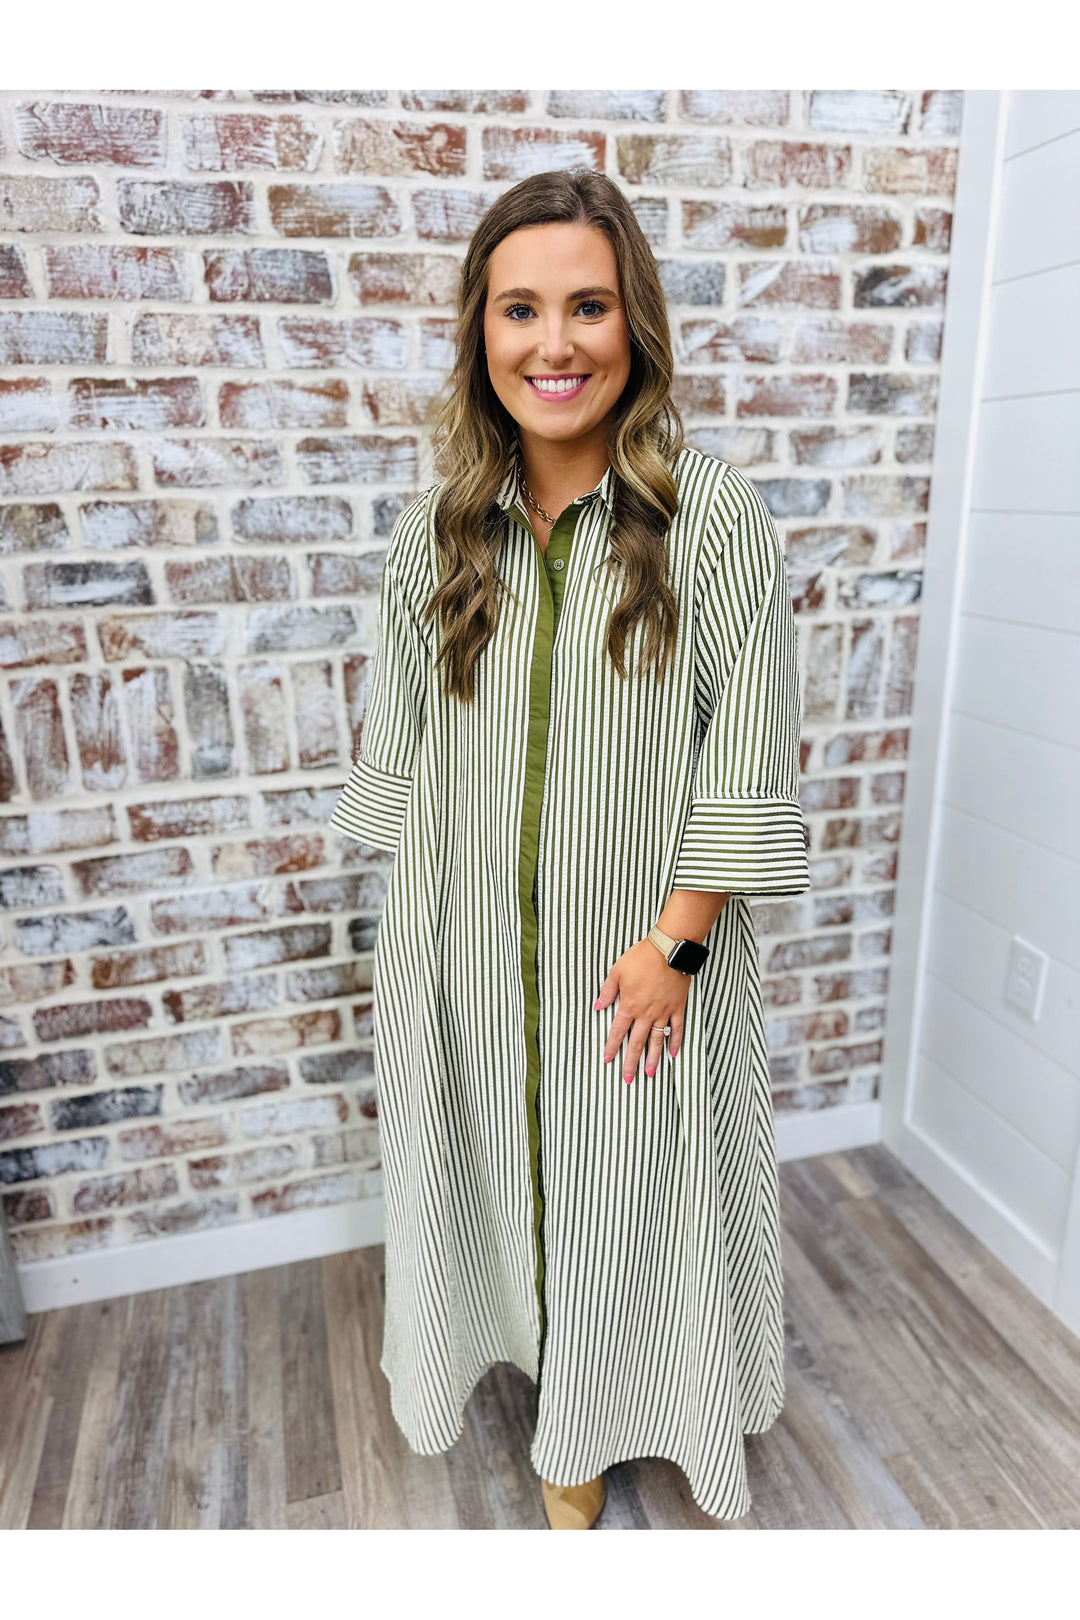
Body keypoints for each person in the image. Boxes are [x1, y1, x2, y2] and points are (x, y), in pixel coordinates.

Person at [330, 167, 810, 1530]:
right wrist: (416, 960)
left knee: (633, 1200)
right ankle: (553, 1402)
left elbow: (747, 748)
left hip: (642, 957)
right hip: (467, 951)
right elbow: (400, 751)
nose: (556, 343)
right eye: (521, 309)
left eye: (588, 306)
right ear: (480, 332)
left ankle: (600, 1426)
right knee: (498, 1187)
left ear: (633, 324)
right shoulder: (434, 536)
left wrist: (677, 945)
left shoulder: (713, 520)